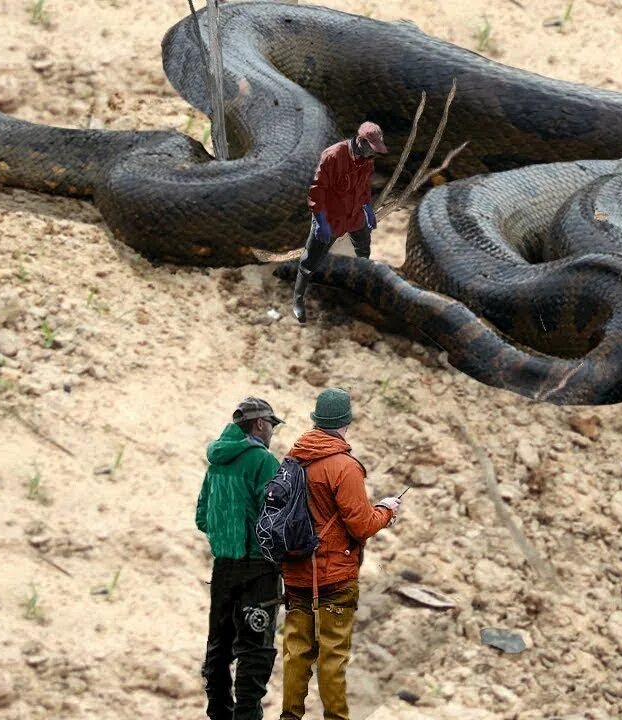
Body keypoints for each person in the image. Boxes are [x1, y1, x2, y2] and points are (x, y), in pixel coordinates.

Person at [279, 387, 402, 720]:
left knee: (296, 652)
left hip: (295, 571)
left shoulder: (293, 458)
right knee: (333, 655)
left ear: (317, 420)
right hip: (334, 575)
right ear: (346, 422)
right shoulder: (344, 467)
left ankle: (289, 716)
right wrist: (387, 510)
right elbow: (361, 525)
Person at [196, 397, 286, 720]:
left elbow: (202, 517)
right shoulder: (264, 463)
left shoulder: (217, 462)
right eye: (272, 425)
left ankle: (218, 713)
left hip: (223, 567)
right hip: (258, 569)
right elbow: (277, 517)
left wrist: (226, 538)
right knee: (256, 649)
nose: (273, 431)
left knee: (219, 646)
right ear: (259, 424)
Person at [292, 121, 389, 324]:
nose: (374, 154)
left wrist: (368, 210)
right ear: (360, 141)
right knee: (310, 261)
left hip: (354, 215)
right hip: (331, 216)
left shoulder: (367, 160)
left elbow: (364, 188)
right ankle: (298, 300)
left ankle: (359, 288)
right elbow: (317, 191)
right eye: (372, 149)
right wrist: (320, 221)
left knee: (363, 250)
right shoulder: (333, 155)